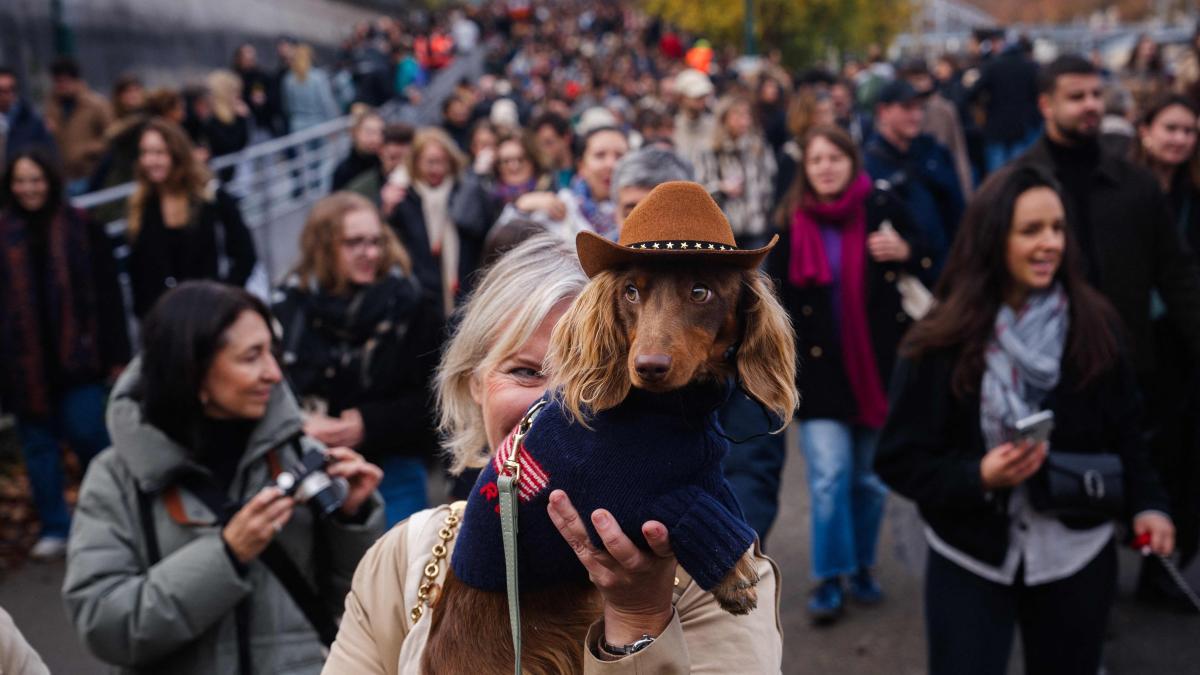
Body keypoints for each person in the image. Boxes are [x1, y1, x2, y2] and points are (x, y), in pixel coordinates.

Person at [322, 234, 782, 674]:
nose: (559, 404)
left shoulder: (716, 574)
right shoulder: (401, 559)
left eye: (599, 372)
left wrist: (640, 619)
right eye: (525, 372)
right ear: (474, 385)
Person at [875, 164, 1176, 675]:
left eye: (1058, 228)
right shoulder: (942, 337)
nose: (1050, 243)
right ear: (994, 238)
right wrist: (977, 476)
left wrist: (1150, 506)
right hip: (971, 555)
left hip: (1075, 551)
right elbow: (899, 459)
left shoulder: (1095, 323)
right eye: (1031, 230)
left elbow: (1129, 429)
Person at [63, 281, 384, 674]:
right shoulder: (117, 477)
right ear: (193, 370)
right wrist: (226, 555)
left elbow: (353, 607)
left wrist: (351, 519)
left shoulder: (299, 454)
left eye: (273, 352)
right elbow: (104, 626)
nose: (274, 373)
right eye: (251, 357)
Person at [772, 125, 924, 622]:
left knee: (869, 481)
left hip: (878, 372)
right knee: (829, 477)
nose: (826, 167)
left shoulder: (883, 209)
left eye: (835, 157)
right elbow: (775, 305)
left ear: (852, 162)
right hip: (819, 378)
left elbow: (935, 258)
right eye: (817, 160)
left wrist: (906, 253)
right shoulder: (792, 226)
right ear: (806, 170)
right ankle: (831, 576)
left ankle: (862, 565)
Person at [1016, 55, 1200, 382]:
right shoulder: (1018, 183)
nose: (1091, 105)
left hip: (1126, 360)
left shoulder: (1135, 184)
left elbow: (1177, 274)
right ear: (1046, 105)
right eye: (1076, 97)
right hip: (1048, 360)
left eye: (1096, 95)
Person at [273, 192, 443, 526]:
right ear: (323, 247)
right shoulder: (289, 307)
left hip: (392, 466)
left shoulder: (411, 305)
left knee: (402, 570)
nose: (370, 253)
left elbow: (436, 398)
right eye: (354, 243)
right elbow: (272, 390)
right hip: (314, 465)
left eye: (376, 241)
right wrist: (301, 423)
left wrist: (368, 423)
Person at [0, 150, 129, 560]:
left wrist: (116, 352)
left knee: (92, 438)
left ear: (50, 181)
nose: (28, 188)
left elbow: (109, 295)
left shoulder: (81, 228)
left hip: (79, 363)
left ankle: (115, 520)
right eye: (20, 181)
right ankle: (57, 525)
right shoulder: (4, 233)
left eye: (35, 179)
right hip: (24, 369)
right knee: (39, 451)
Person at [1130, 93, 1200, 611]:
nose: (1179, 139)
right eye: (1171, 128)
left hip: (1183, 339)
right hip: (1131, 337)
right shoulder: (1121, 189)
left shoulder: (1192, 194)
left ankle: (1162, 566)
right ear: (1146, 131)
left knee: (1180, 454)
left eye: (1189, 131)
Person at [125, 119, 257, 316]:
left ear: (177, 154)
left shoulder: (211, 198)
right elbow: (139, 272)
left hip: (212, 315)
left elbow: (245, 254)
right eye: (145, 153)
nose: (150, 161)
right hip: (167, 322)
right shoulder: (142, 205)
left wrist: (223, 298)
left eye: (159, 153)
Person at [864, 80, 964, 282]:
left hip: (947, 270)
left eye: (920, 108)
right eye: (906, 108)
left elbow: (957, 209)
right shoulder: (868, 164)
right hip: (903, 281)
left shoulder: (934, 152)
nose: (916, 116)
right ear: (883, 111)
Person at [387, 127, 492, 316]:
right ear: (416, 163)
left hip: (466, 296)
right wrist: (385, 209)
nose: (436, 168)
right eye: (429, 162)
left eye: (441, 162)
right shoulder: (404, 199)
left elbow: (482, 232)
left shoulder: (466, 192)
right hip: (422, 304)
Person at [695, 94, 778, 250]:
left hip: (756, 228)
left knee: (756, 273)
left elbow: (770, 182)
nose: (744, 121)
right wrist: (721, 188)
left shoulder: (758, 147)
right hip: (723, 232)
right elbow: (699, 189)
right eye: (738, 115)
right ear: (724, 118)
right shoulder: (709, 151)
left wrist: (766, 213)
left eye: (747, 115)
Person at [968, 37, 1041, 173]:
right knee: (1019, 170)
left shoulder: (992, 66)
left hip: (996, 125)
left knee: (997, 173)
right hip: (1021, 125)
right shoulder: (1029, 67)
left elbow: (973, 93)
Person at [43, 58, 112, 194]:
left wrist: (88, 150)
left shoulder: (96, 105)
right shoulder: (52, 108)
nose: (61, 86)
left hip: (92, 175)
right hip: (64, 178)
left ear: (76, 81)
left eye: (65, 81)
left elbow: (113, 136)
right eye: (58, 82)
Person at [0, 67, 56, 163]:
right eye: (1, 91)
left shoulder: (32, 123)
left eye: (10, 90)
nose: (5, 96)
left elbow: (49, 156)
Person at [205, 70, 251, 182]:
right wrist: (242, 120)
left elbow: (242, 143)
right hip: (221, 175)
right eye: (235, 92)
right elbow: (231, 145)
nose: (238, 96)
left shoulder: (230, 117)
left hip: (232, 173)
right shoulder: (211, 119)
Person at [489, 130, 551, 207]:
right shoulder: (488, 198)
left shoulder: (550, 188)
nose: (514, 166)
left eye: (520, 159)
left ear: (533, 161)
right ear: (497, 166)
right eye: (506, 161)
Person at [671, 68, 715, 167]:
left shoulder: (715, 126)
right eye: (697, 95)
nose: (702, 99)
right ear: (681, 97)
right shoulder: (671, 127)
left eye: (704, 95)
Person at [332, 110, 385, 190]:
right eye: (369, 133)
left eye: (380, 133)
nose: (376, 139)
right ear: (354, 133)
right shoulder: (344, 171)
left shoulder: (385, 163)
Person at [532, 111, 574, 189]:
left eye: (549, 143)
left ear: (566, 139)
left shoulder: (585, 172)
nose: (544, 150)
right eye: (540, 145)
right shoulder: (541, 180)